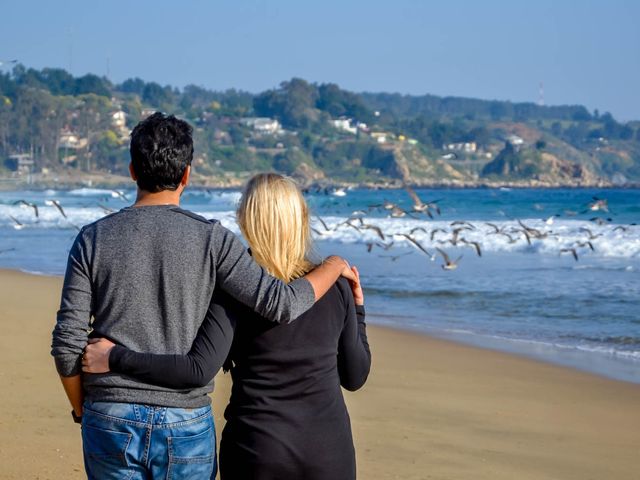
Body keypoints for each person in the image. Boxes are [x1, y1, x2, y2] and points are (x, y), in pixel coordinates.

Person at [50, 114, 355, 480]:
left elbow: (68, 345)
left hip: (111, 411)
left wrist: (83, 409)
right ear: (186, 176)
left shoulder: (92, 238)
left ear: (132, 170)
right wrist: (334, 265)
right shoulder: (214, 240)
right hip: (185, 420)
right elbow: (281, 304)